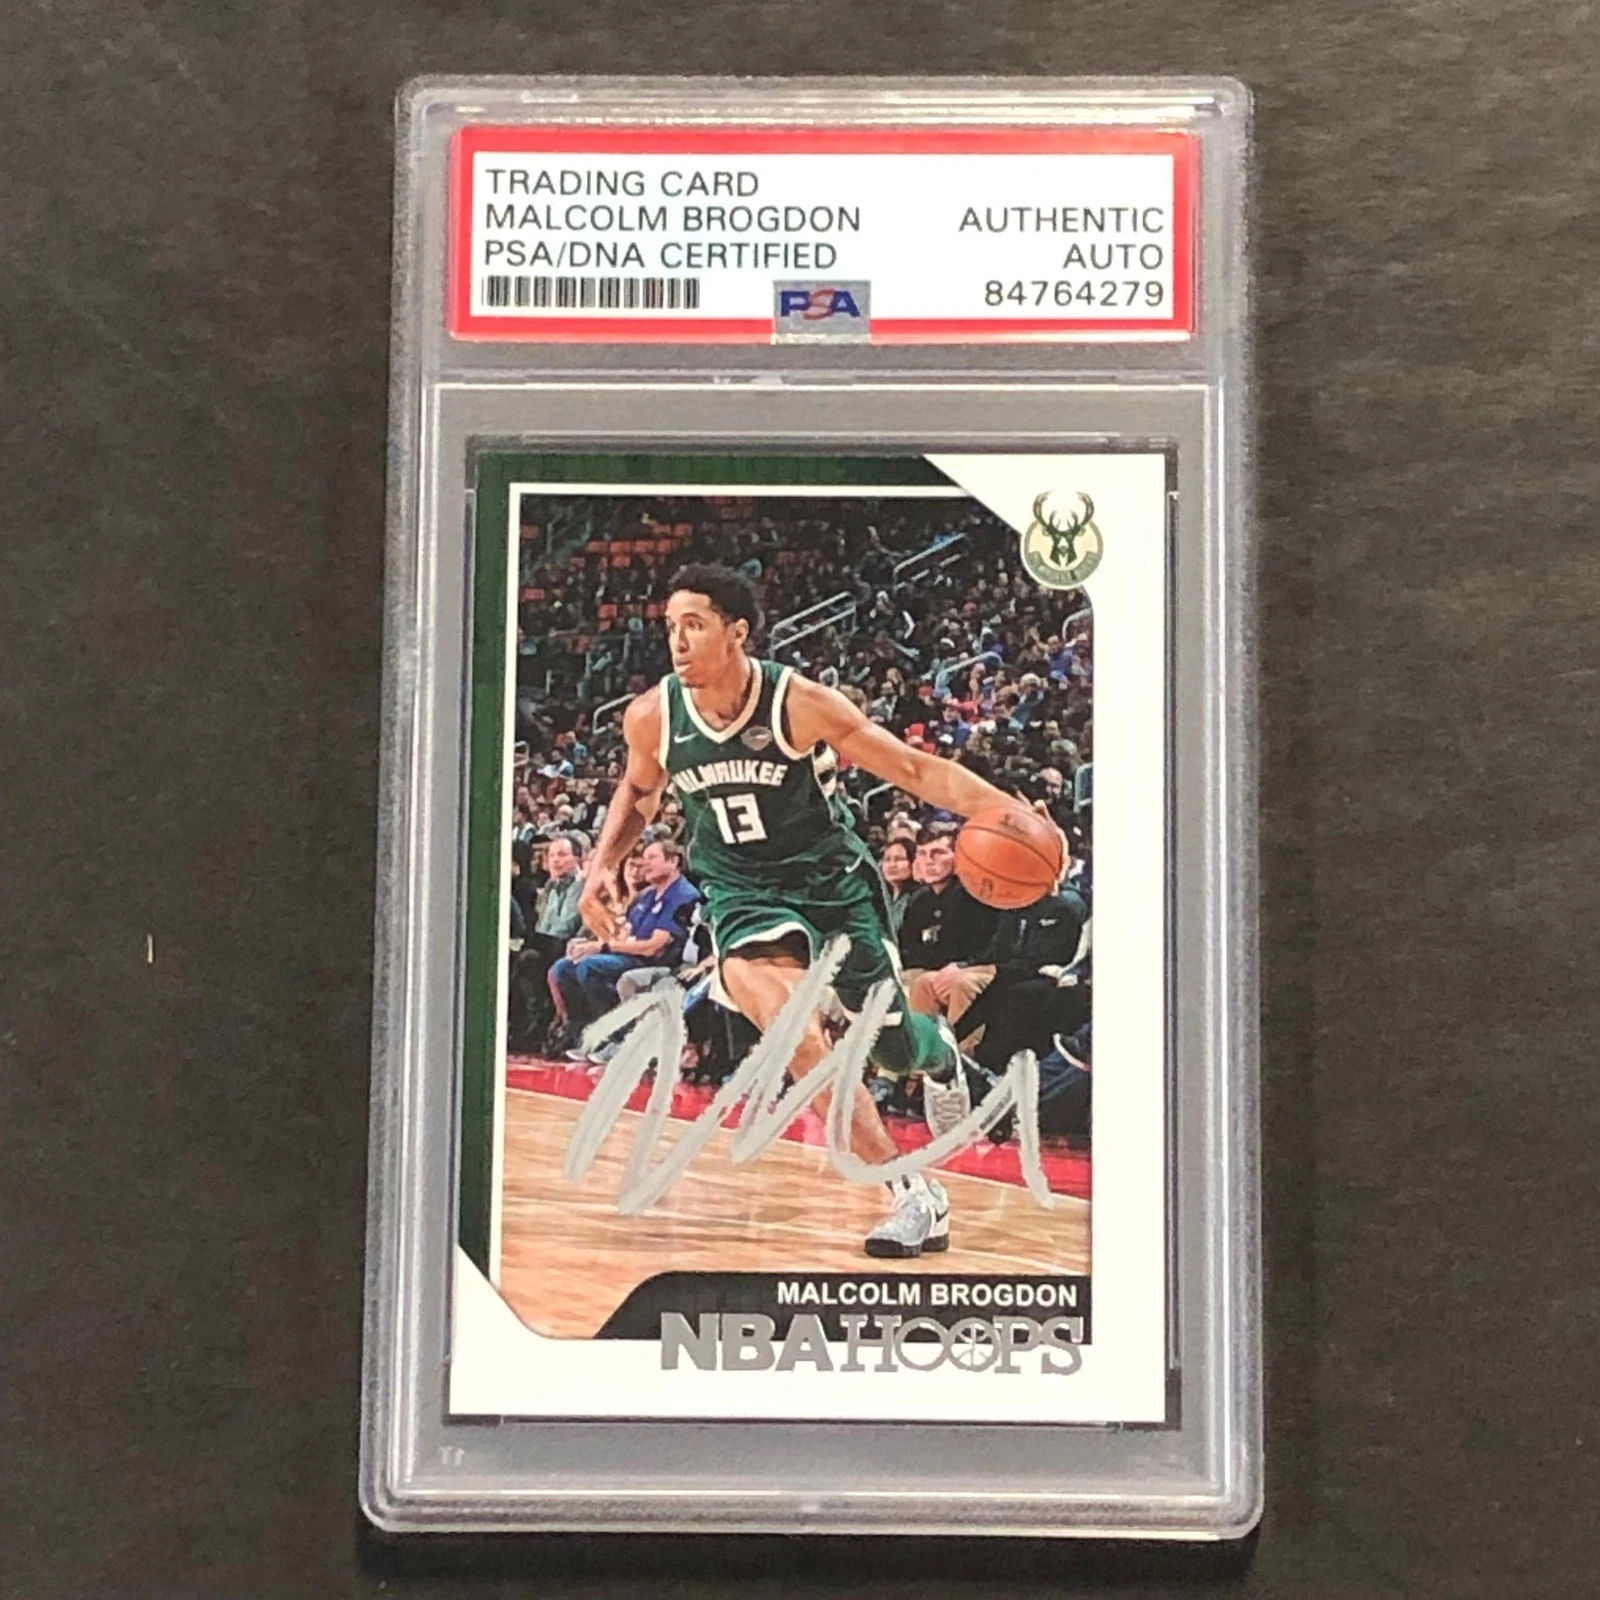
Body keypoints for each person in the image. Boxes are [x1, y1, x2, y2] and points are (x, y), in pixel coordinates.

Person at [578, 564, 1029, 1258]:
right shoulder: (652, 717)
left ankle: (941, 1057)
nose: (678, 641)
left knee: (892, 1048)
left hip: (832, 887)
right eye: (670, 627)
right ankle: (912, 1193)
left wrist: (1010, 813)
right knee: (796, 1033)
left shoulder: (798, 703)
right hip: (741, 893)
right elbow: (640, 792)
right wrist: (603, 862)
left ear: (737, 632)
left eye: (694, 625)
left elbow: (914, 770)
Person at [553, 838, 700, 1057]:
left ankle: (619, 1038)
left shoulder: (683, 895)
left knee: (590, 969)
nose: (645, 864)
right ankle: (584, 1034)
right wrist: (590, 944)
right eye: (644, 858)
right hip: (630, 955)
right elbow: (625, 934)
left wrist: (603, 948)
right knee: (564, 968)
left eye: (652, 858)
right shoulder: (648, 895)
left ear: (673, 861)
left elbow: (654, 948)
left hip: (660, 962)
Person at [899, 826, 1001, 1028]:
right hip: (933, 971)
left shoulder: (976, 895)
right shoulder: (919, 900)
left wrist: (963, 965)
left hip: (972, 968)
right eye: (922, 854)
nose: (929, 861)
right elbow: (909, 948)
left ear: (958, 857)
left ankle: (962, 1046)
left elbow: (993, 946)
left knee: (944, 983)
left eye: (938, 853)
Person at [877, 837, 915, 939]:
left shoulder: (919, 898)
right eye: (887, 859)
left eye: (899, 859)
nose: (892, 865)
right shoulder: (881, 899)